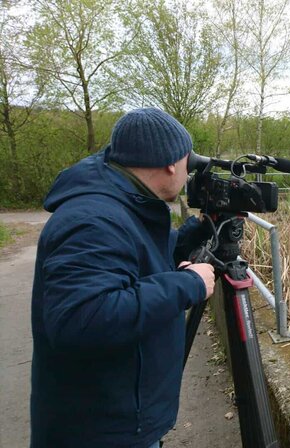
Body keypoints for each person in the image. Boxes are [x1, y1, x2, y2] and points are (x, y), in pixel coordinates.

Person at [30, 108, 216, 448]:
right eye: (188, 163)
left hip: (120, 416)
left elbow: (140, 259)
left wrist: (201, 230)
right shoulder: (92, 219)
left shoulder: (123, 201)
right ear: (172, 164)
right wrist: (188, 285)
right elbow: (81, 318)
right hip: (101, 431)